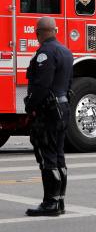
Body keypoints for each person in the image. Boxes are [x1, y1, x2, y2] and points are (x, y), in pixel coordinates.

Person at [24, 17, 73, 217]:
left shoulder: (45, 52)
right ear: (54, 30)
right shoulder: (66, 51)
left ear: (39, 33)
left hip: (49, 111)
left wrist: (31, 104)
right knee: (59, 155)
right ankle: (59, 201)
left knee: (48, 157)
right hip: (63, 107)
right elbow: (69, 82)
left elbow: (41, 85)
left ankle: (50, 203)